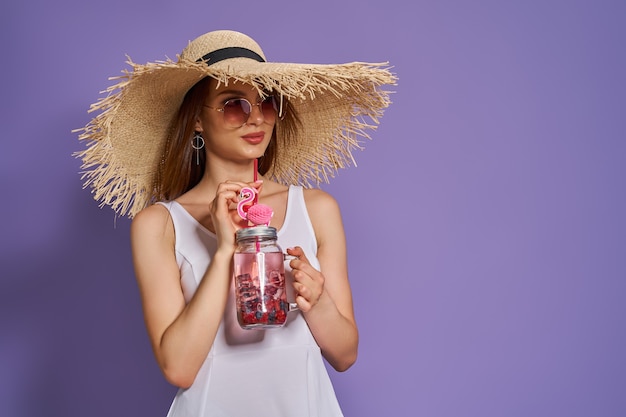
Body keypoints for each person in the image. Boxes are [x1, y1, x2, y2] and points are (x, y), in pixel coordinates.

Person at [76, 30, 395, 416]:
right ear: (196, 120)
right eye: (233, 105)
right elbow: (178, 367)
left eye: (267, 102)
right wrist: (226, 250)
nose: (256, 117)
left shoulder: (316, 208)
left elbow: (345, 354)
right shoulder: (159, 224)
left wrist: (318, 300)